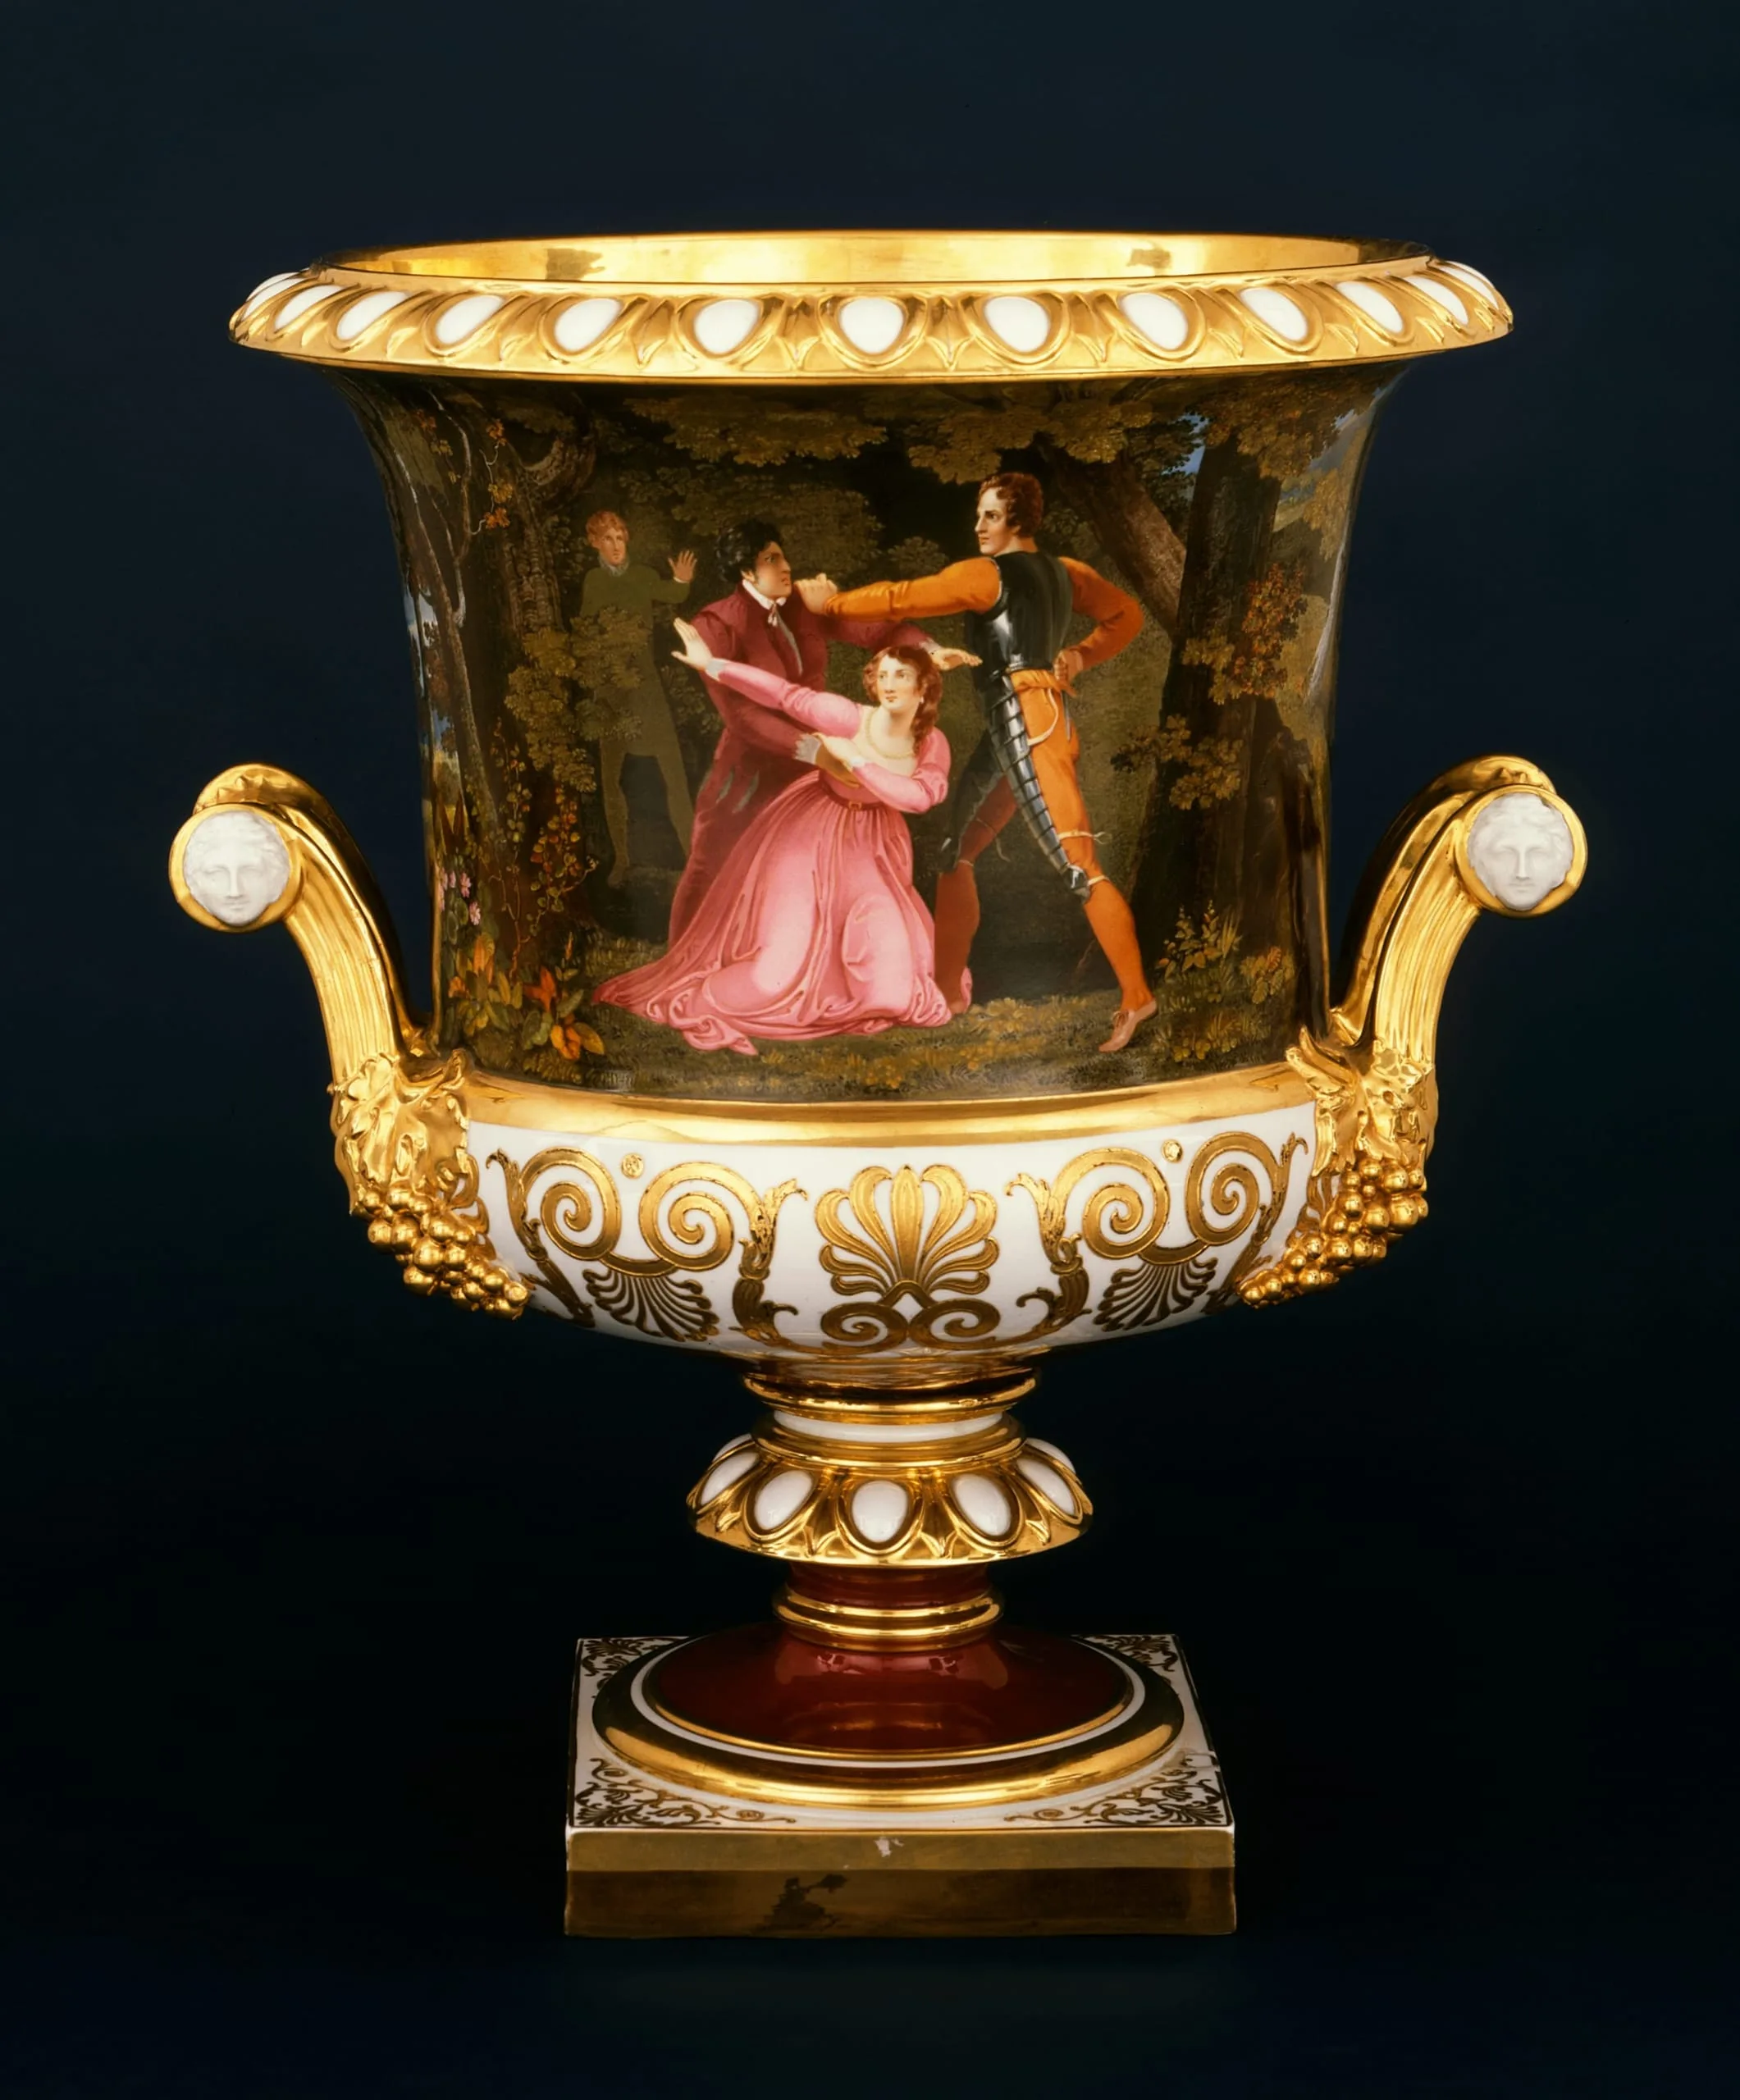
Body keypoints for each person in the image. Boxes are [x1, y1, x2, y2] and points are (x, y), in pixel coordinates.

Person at [799, 472, 1156, 1055]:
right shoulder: (1065, 572)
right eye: (979, 514)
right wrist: (1078, 655)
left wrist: (831, 603)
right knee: (955, 853)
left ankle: (1137, 997)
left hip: (1030, 722)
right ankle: (947, 993)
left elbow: (900, 597)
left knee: (1079, 867)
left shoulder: (988, 575)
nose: (979, 526)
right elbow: (1127, 616)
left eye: (990, 515)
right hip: (1014, 721)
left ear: (1017, 519)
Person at [594, 619, 956, 1055]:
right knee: (771, 978)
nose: (889, 685)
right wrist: (714, 666)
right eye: (882, 675)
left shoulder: (932, 743)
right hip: (808, 836)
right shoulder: (849, 717)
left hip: (871, 849)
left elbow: (920, 798)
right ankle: (712, 995)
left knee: (892, 996)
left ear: (924, 687)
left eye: (901, 675)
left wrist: (856, 761)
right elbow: (785, 695)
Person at [667, 518, 972, 941]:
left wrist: (930, 652)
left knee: (813, 878)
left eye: (783, 556)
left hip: (820, 770)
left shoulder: (799, 603)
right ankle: (686, 955)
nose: (786, 567)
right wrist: (815, 752)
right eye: (772, 560)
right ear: (746, 572)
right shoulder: (716, 623)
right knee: (714, 858)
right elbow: (741, 716)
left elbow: (876, 630)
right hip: (754, 767)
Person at [578, 510, 697, 886]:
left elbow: (671, 593)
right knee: (611, 777)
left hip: (645, 687)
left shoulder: (643, 576)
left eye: (620, 538)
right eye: (607, 539)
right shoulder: (594, 581)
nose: (615, 546)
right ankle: (622, 860)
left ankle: (694, 859)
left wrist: (681, 580)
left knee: (673, 772)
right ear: (595, 543)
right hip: (611, 690)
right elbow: (585, 630)